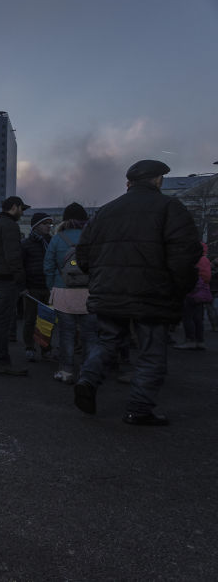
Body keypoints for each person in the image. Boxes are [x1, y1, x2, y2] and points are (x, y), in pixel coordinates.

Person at [73, 160, 201, 426]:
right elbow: (184, 255)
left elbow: (83, 255)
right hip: (152, 294)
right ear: (157, 181)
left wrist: (101, 278)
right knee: (151, 352)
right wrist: (180, 288)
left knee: (108, 341)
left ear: (129, 183)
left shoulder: (105, 212)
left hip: (108, 292)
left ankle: (87, 379)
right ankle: (139, 408)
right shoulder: (170, 208)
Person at [44, 203, 96, 384]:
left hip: (63, 293)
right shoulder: (92, 238)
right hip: (89, 293)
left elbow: (48, 266)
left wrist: (52, 288)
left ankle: (66, 372)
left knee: (66, 334)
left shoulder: (57, 239)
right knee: (89, 335)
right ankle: (87, 374)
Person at [0, 195, 30, 376]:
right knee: (3, 322)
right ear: (14, 207)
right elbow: (13, 257)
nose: (22, 213)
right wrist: (21, 281)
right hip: (5, 279)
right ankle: (2, 362)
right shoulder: (10, 226)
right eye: (21, 209)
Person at [21, 212, 54, 360]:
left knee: (47, 321)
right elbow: (20, 266)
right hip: (32, 288)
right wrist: (22, 286)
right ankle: (29, 347)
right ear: (35, 226)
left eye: (49, 223)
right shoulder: (26, 244)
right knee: (30, 319)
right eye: (45, 223)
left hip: (49, 287)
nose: (48, 226)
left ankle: (45, 348)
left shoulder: (52, 242)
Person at [174, 243, 211, 350]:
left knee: (187, 317)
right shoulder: (205, 260)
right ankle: (200, 341)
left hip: (191, 291)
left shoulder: (193, 259)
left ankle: (190, 340)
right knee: (198, 318)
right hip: (202, 292)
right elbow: (207, 277)